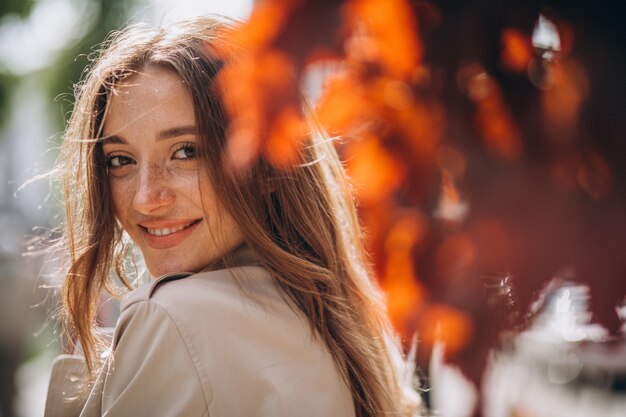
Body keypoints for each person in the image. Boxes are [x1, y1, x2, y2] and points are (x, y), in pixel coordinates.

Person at [45, 16, 421, 417]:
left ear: (265, 163)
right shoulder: (332, 318)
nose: (145, 198)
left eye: (186, 151)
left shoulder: (172, 318)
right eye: (120, 160)